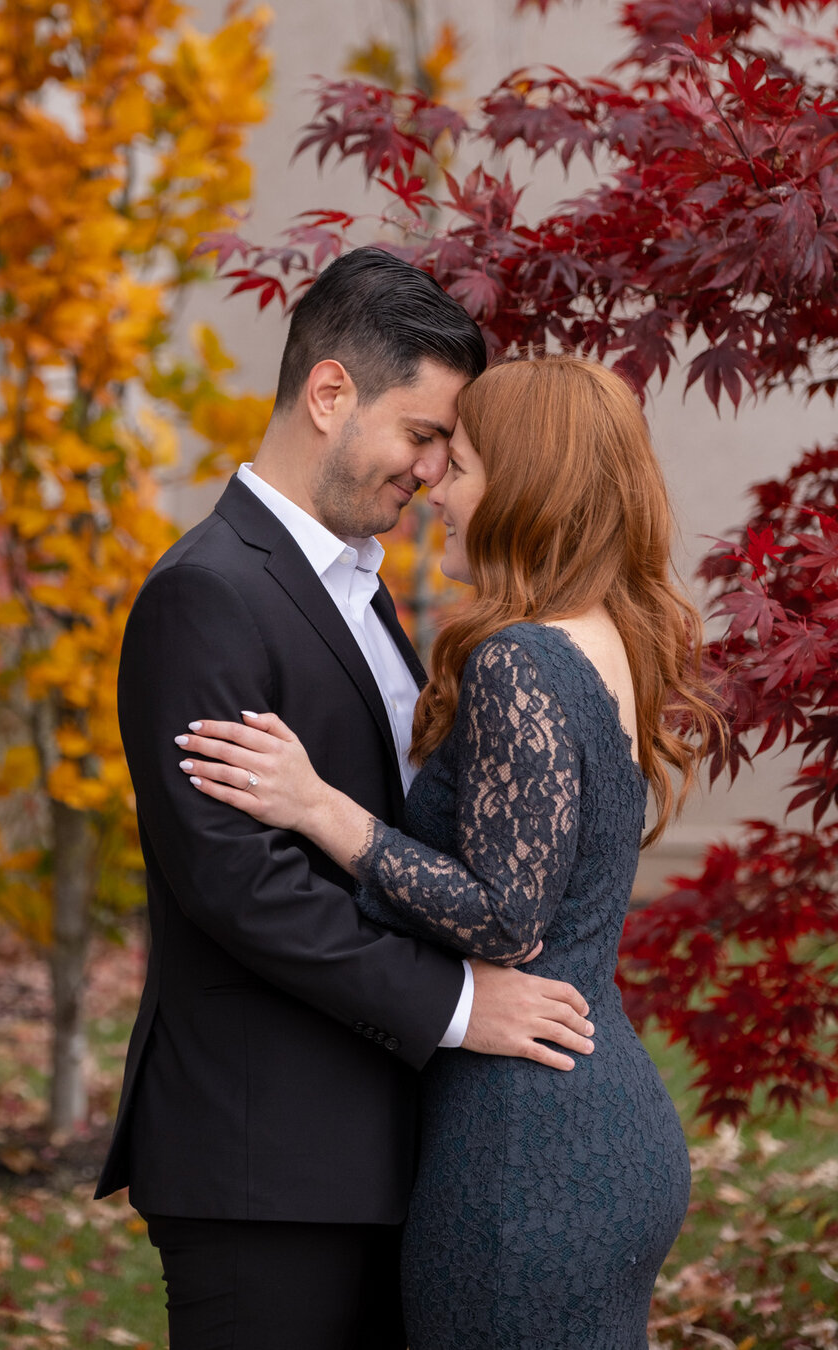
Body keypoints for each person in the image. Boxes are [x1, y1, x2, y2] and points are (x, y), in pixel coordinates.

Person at [94, 250, 597, 1350]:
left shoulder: (360, 592)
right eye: (423, 435)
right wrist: (463, 1005)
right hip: (263, 1161)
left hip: (376, 1146)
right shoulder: (206, 595)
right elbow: (241, 886)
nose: (431, 471)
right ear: (331, 396)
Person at [176, 354, 725, 1349]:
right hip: (601, 1115)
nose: (437, 488)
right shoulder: (611, 636)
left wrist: (319, 809)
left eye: (460, 464)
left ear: (524, 483)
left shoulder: (522, 659)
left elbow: (507, 917)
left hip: (527, 1147)